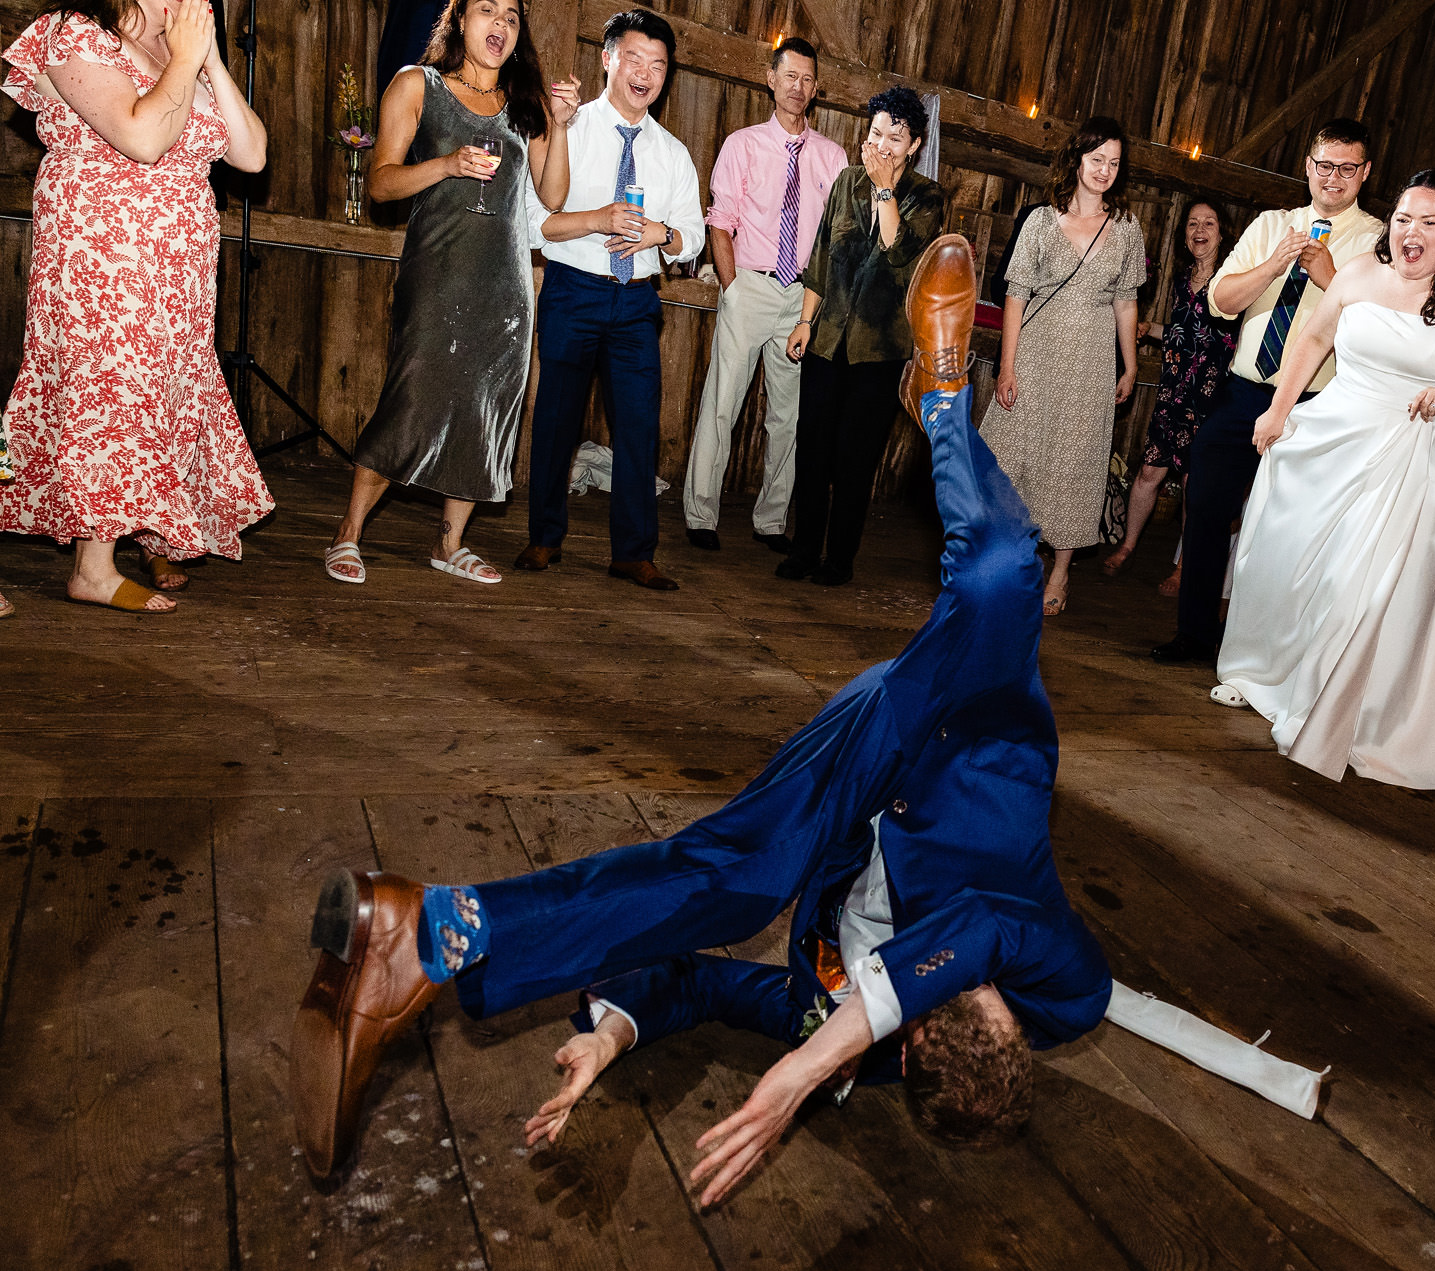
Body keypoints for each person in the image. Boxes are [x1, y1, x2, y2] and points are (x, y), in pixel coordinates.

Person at [290, 236, 1113, 1200]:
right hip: (977, 738)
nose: (945, 978)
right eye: (972, 991)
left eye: (929, 1003)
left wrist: (608, 1032)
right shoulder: (1063, 991)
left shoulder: (846, 1029)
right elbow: (978, 932)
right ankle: (941, 392)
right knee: (1000, 573)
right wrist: (806, 1072)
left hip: (858, 780)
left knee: (739, 879)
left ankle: (434, 931)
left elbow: (703, 984)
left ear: (911, 1039)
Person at [1211, 169, 1435, 789]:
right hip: (1336, 438)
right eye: (1404, 219)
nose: (1412, 233)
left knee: (1367, 584)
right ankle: (1278, 676)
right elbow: (1312, 340)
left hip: (1415, 453)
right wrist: (1277, 411)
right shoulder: (1358, 271)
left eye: (1429, 222)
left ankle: (1353, 714)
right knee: (1301, 561)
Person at [1, 0, 271, 614]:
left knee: (149, 400)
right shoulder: (74, 32)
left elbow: (251, 153)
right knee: (101, 394)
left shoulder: (183, 46)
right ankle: (92, 569)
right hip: (102, 257)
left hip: (177, 271)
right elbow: (143, 138)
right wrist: (185, 59)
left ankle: (106, 558)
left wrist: (207, 60)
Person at [323, 0, 575, 587]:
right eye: (488, 10)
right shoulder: (418, 85)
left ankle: (450, 542)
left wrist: (559, 127)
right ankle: (348, 532)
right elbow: (382, 182)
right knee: (410, 400)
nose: (500, 25)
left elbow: (554, 196)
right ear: (460, 19)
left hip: (506, 284)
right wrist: (447, 165)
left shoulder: (526, 105)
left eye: (512, 17)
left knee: (484, 408)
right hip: (438, 273)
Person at [1150, 120, 1385, 663]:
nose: (1334, 177)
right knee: (1206, 508)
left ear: (1364, 174)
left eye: (1348, 168)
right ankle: (1195, 634)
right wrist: (1275, 263)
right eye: (1325, 165)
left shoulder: (1376, 241)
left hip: (1317, 405)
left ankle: (1267, 648)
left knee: (1290, 529)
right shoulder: (1271, 225)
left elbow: (1378, 328)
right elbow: (1220, 300)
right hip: (1241, 393)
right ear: (1308, 166)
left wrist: (1331, 278)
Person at [511, 9, 703, 592]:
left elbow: (693, 235)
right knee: (557, 422)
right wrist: (598, 222)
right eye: (634, 59)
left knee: (640, 428)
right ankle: (544, 538)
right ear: (608, 59)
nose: (645, 75)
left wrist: (659, 235)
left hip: (638, 302)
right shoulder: (568, 125)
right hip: (574, 291)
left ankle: (633, 552)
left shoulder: (673, 153)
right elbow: (536, 223)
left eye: (658, 66)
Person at [771, 86, 944, 588]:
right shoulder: (846, 182)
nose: (883, 144)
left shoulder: (926, 195)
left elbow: (898, 253)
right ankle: (804, 550)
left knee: (854, 460)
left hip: (878, 351)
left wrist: (886, 189)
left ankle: (839, 559)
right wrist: (805, 321)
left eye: (896, 136)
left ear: (913, 145)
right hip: (827, 341)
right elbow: (822, 257)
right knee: (813, 452)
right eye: (876, 132)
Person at [681, 36, 847, 554]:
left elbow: (835, 238)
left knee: (789, 415)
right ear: (771, 80)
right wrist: (732, 288)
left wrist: (814, 302)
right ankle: (700, 514)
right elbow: (721, 221)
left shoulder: (833, 157)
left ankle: (771, 521)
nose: (798, 87)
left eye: (806, 79)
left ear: (815, 89)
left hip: (803, 299)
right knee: (721, 403)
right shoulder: (743, 144)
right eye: (789, 76)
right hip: (750, 285)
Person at [981, 116, 1148, 616]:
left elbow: (1126, 302)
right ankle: (1007, 559)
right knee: (1015, 455)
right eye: (1097, 159)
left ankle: (1059, 572)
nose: (1105, 170)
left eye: (1114, 163)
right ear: (1076, 160)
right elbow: (1015, 295)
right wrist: (1006, 367)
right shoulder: (1039, 221)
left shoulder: (1126, 229)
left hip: (1092, 361)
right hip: (1035, 353)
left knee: (1076, 463)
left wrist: (1131, 366)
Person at [1101, 198, 1239, 593]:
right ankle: (1127, 547)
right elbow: (1184, 332)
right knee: (1148, 473)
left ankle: (1182, 566)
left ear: (1222, 233)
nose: (1200, 230)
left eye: (1209, 222)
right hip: (1173, 393)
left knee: (1195, 484)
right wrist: (1150, 327)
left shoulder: (1233, 280)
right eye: (1193, 223)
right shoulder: (1182, 279)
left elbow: (1229, 339)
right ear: (1184, 235)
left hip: (1210, 398)